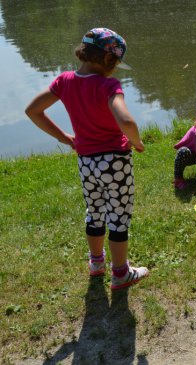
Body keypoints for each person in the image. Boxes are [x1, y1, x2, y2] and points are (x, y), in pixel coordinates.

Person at [25, 28, 149, 290]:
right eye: (115, 64)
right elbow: (126, 120)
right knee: (118, 216)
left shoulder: (64, 81)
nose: (115, 70)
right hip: (115, 161)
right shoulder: (108, 85)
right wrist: (137, 142)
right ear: (107, 60)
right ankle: (120, 273)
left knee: (95, 212)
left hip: (86, 162)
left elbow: (33, 110)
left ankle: (96, 263)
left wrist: (65, 138)